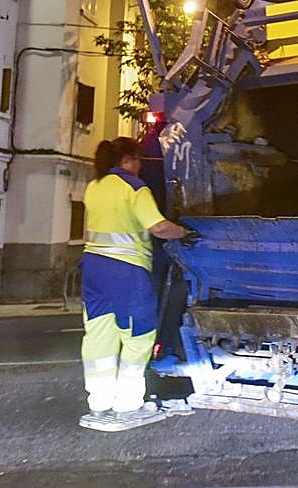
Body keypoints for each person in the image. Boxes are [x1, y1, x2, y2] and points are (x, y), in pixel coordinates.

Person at [80, 136, 198, 421]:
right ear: (127, 160)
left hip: (93, 268)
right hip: (126, 270)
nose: (141, 166)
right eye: (138, 159)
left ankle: (99, 400)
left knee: (99, 335)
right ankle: (128, 404)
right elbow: (158, 227)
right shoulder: (134, 187)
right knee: (139, 335)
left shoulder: (94, 186)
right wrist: (186, 232)